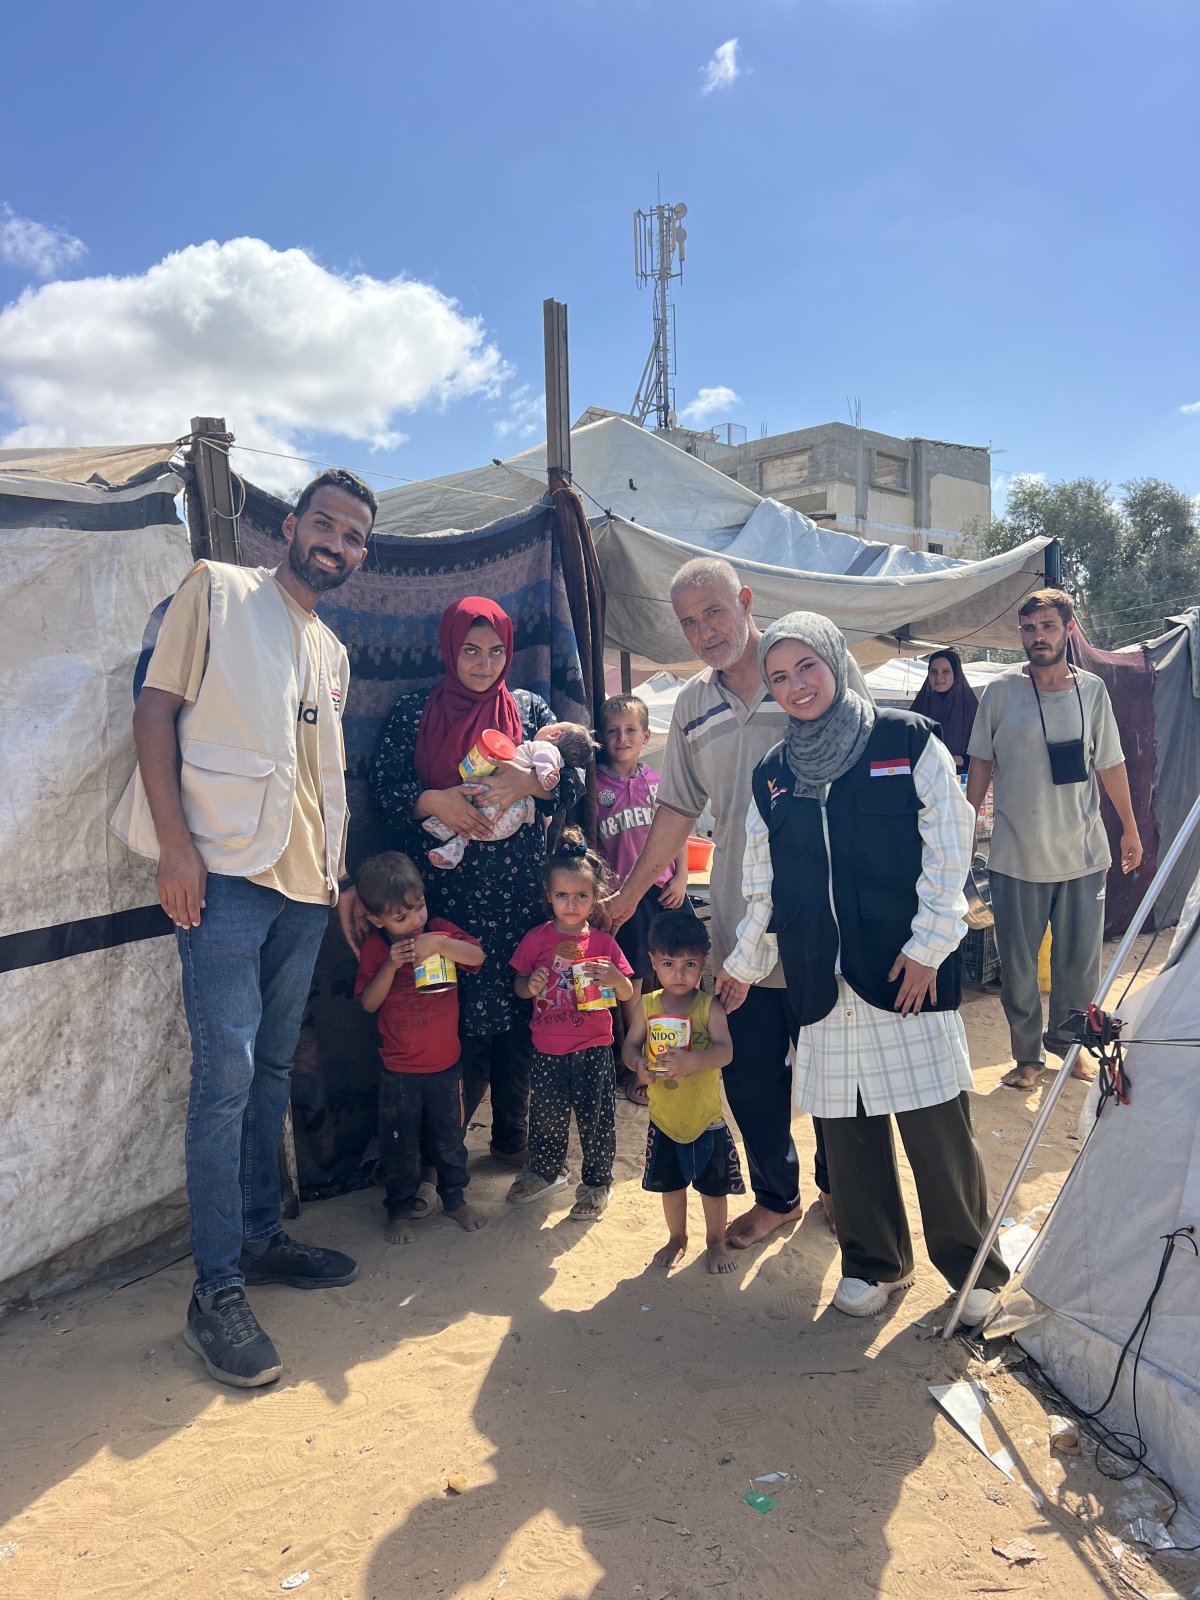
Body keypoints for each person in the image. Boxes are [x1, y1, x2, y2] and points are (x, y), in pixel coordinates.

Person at [112, 467, 376, 1388]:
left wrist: (336, 879)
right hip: (220, 872)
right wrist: (175, 849)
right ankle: (213, 1290)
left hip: (304, 886)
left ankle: (262, 1238)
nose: (335, 544)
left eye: (351, 537)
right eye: (325, 525)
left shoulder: (331, 650)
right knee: (223, 1076)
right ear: (293, 525)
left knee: (269, 1066)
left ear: (360, 555)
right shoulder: (218, 593)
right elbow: (156, 710)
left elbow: (318, 781)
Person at [723, 612, 1009, 1323]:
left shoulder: (906, 740)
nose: (795, 687)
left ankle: (973, 1268)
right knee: (847, 1136)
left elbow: (951, 844)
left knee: (936, 1131)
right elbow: (764, 886)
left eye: (806, 669)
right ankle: (875, 1262)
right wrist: (742, 963)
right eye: (779, 676)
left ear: (835, 661)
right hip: (822, 982)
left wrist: (929, 946)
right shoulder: (773, 777)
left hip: (905, 970)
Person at [604, 558, 834, 1247]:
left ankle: (842, 1190)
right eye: (688, 622)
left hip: (821, 920)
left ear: (746, 601)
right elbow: (677, 805)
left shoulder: (798, 673)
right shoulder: (694, 706)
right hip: (739, 933)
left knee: (831, 1072)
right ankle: (778, 1196)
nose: (704, 631)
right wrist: (629, 892)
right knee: (753, 1075)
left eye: (714, 612)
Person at [365, 598, 584, 1169]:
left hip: (518, 899)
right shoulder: (416, 712)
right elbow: (383, 791)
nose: (484, 664)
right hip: (445, 903)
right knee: (450, 1019)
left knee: (518, 1017)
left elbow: (573, 779)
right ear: (450, 649)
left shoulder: (529, 709)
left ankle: (511, 1139)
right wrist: (433, 799)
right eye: (471, 651)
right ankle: (444, 1154)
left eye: (495, 652)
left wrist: (525, 788)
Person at [967, 589, 1143, 1090]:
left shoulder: (1093, 692)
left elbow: (1110, 763)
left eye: (1047, 626)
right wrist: (963, 826)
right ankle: (1027, 1058)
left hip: (1083, 855)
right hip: (1015, 856)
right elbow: (981, 763)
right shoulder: (999, 693)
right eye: (1028, 629)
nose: (1037, 637)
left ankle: (1070, 1050)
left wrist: (1129, 827)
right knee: (1018, 969)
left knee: (1079, 967)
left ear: (1068, 629)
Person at [353, 851, 487, 1242]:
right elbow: (368, 1003)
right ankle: (399, 1211)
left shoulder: (439, 929)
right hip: (399, 1071)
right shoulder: (379, 949)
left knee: (450, 1141)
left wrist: (438, 942)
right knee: (400, 1147)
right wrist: (391, 965)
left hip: (446, 1066)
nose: (414, 921)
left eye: (419, 908)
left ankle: (455, 1200)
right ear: (377, 919)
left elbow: (477, 956)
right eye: (401, 917)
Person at [509, 828, 634, 1220]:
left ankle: (598, 1183)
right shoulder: (535, 940)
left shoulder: (602, 944)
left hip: (594, 1048)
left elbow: (627, 992)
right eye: (562, 895)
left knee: (596, 1120)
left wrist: (615, 979)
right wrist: (529, 986)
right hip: (547, 1047)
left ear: (595, 897)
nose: (571, 903)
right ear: (549, 896)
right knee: (546, 1117)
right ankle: (546, 1172)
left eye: (581, 895)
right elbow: (518, 984)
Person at [621, 911, 743, 1275]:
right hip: (664, 1117)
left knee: (712, 1188)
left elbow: (726, 1051)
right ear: (654, 963)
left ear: (703, 962)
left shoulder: (709, 1007)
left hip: (706, 1119)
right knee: (670, 1186)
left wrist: (694, 1062)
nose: (679, 973)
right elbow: (629, 1047)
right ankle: (677, 1237)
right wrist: (637, 1065)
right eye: (669, 964)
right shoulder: (647, 1005)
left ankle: (715, 1242)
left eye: (689, 964)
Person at [594, 693, 691, 1106]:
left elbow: (679, 831)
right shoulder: (593, 785)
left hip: (664, 891)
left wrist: (683, 877)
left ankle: (684, 1054)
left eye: (630, 730)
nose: (622, 738)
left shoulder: (660, 782)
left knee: (684, 963)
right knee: (630, 979)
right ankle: (639, 1064)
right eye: (613, 731)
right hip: (621, 898)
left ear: (646, 735)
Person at [423, 721, 596, 869]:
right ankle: (453, 848)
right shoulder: (559, 759)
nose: (545, 725)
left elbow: (546, 760)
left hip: (501, 803)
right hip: (512, 819)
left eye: (550, 725)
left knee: (470, 801)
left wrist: (543, 778)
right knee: (471, 826)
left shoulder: (544, 747)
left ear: (554, 734)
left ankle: (442, 828)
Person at [910, 648, 978, 771]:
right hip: (921, 780)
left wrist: (947, 759)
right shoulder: (918, 709)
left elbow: (982, 756)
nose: (938, 677)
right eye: (933, 672)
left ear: (956, 674)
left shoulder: (972, 710)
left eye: (946, 671)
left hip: (959, 782)